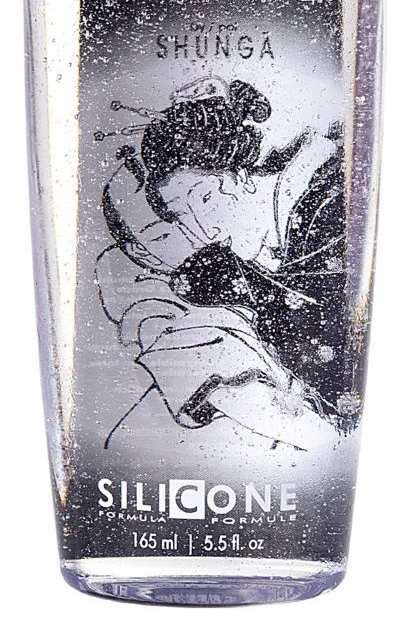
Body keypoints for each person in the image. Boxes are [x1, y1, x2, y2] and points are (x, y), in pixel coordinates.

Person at [96, 77, 349, 450]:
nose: (204, 232)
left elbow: (335, 357)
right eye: (180, 220)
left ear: (239, 178)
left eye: (205, 199)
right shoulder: (233, 260)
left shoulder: (325, 198)